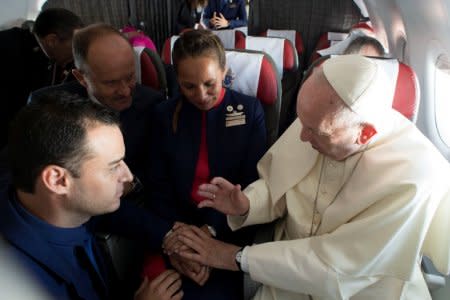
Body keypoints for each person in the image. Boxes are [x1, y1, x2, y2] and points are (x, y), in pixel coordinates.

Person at [168, 55, 450, 299]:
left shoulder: (415, 178)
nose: (302, 137)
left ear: (365, 134)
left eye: (316, 132)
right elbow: (278, 184)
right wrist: (247, 204)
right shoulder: (316, 118)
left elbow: (339, 266)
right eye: (302, 123)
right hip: (284, 275)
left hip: (363, 290)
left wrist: (234, 257)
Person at [0, 92, 183, 300]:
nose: (128, 176)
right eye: (113, 167)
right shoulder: (16, 284)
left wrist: (171, 238)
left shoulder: (59, 204)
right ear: (58, 181)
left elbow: (112, 213)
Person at [144, 29, 267, 300]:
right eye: (189, 86)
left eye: (210, 83)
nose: (200, 95)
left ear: (224, 71)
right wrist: (175, 238)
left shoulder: (249, 111)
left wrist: (208, 232)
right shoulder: (163, 115)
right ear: (177, 79)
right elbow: (157, 184)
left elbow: (250, 183)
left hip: (226, 230)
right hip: (173, 231)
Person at [30, 23, 164, 183]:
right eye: (111, 83)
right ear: (81, 78)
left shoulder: (153, 104)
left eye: (130, 77)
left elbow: (159, 174)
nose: (126, 91)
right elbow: (17, 170)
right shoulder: (44, 105)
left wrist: (133, 186)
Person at [0, 8, 83, 149]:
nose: (76, 53)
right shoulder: (14, 53)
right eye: (74, 46)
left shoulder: (40, 51)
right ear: (52, 41)